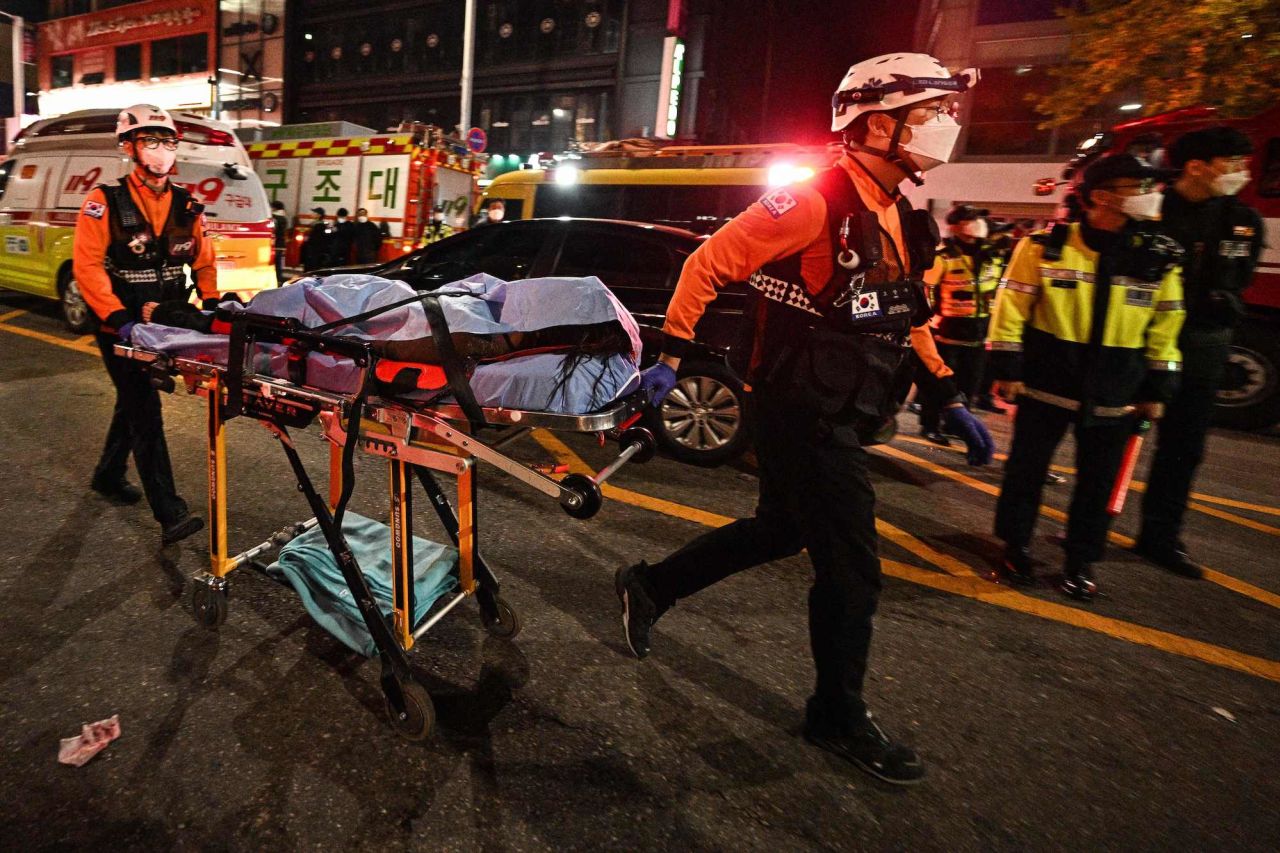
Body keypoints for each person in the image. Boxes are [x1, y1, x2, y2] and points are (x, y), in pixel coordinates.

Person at [614, 54, 987, 786]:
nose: (947, 127)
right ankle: (836, 713)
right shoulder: (815, 201)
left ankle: (651, 586)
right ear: (879, 124)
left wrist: (946, 389)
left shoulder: (900, 214)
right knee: (853, 570)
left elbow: (903, 312)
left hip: (847, 406)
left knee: (780, 529)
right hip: (802, 411)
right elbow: (707, 264)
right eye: (931, 114)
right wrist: (673, 355)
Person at [987, 154, 1186, 600]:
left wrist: (1158, 388)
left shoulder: (1159, 255)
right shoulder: (1043, 246)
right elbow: (1011, 310)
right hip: (1046, 384)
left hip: (1118, 389)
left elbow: (1167, 324)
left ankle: (1080, 561)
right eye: (1137, 187)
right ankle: (1015, 546)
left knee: (1098, 483)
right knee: (1026, 472)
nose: (1150, 196)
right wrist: (1008, 370)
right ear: (1100, 196)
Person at [73, 104, 213, 545]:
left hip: (166, 322)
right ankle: (168, 511)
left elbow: (204, 262)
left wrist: (212, 305)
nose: (162, 151)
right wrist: (116, 318)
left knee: (133, 399)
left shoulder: (187, 205)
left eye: (168, 141)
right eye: (150, 141)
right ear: (129, 148)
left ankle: (108, 475)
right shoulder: (103, 202)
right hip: (121, 322)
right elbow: (88, 267)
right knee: (144, 407)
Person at [1136, 128, 1265, 577]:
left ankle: (1161, 536)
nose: (1242, 173)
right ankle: (1089, 524)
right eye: (1232, 163)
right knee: (1114, 437)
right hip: (1140, 342)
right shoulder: (1149, 209)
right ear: (1196, 166)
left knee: (1184, 448)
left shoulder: (1243, 219)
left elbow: (1240, 278)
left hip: (1202, 348)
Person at [917, 204, 1004, 440]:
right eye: (970, 219)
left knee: (970, 384)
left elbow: (997, 290)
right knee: (942, 381)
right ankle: (930, 425)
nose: (977, 224)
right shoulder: (944, 257)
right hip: (947, 330)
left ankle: (956, 424)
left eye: (978, 218)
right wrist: (933, 316)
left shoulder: (991, 255)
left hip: (979, 331)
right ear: (955, 227)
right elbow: (928, 289)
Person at [270, 200, 289, 284]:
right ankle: (279, 279)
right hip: (281, 243)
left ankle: (275, 279)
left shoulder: (274, 218)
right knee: (278, 263)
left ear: (274, 208)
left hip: (275, 243)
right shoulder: (283, 217)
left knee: (273, 263)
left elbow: (273, 230)